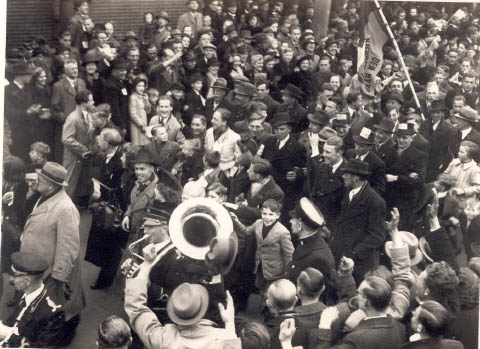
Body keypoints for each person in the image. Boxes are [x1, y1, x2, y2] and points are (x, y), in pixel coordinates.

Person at [124, 245, 238, 349]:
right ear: (201, 308)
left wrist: (147, 265)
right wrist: (229, 323)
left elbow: (136, 308)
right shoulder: (224, 340)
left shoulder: (163, 340)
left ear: (174, 312)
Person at [20, 162, 84, 344]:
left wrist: (59, 277)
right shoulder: (44, 196)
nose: (37, 179)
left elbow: (69, 246)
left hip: (51, 272)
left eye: (42, 178)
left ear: (52, 184)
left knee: (54, 307)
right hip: (39, 266)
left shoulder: (66, 208)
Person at [84, 128, 126, 290]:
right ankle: (106, 277)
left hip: (113, 210)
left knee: (111, 246)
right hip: (106, 207)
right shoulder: (109, 157)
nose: (98, 140)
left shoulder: (119, 163)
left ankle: (105, 279)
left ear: (107, 144)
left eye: (101, 139)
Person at [287, 197, 350, 304]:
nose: (290, 221)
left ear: (300, 225)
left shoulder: (318, 257)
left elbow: (326, 295)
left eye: (293, 219)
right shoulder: (306, 242)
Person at [314, 276, 407, 348]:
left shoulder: (356, 339)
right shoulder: (401, 328)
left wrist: (324, 326)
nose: (356, 295)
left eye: (358, 293)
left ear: (366, 301)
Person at [333, 159, 387, 283]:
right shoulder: (349, 191)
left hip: (358, 262)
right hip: (342, 253)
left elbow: (377, 236)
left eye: (346, 174)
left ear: (355, 178)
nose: (343, 177)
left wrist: (354, 253)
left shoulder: (375, 201)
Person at [0, 252, 65, 347]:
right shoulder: (22, 291)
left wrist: (9, 336)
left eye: (15, 275)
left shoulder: (54, 313)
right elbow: (15, 320)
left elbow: (40, 346)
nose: (11, 279)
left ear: (27, 281)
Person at [260, 112, 306, 224]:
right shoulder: (269, 141)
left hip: (285, 190)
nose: (279, 132)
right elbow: (261, 160)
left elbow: (303, 169)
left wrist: (296, 173)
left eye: (282, 129)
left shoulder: (297, 147)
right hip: (267, 187)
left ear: (289, 129)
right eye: (276, 129)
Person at [62, 89, 95, 203]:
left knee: (78, 187)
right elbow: (66, 139)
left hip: (83, 157)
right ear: (83, 103)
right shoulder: (73, 118)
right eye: (90, 101)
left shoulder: (88, 116)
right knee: (68, 185)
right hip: (73, 158)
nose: (93, 102)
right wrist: (83, 149)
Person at [51, 59, 87, 162]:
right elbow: (54, 108)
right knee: (66, 155)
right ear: (66, 71)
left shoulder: (81, 83)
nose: (75, 71)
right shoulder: (58, 86)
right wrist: (65, 119)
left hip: (81, 125)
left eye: (76, 68)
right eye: (72, 69)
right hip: (67, 125)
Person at [121, 148, 159, 244]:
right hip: (133, 234)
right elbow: (133, 204)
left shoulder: (158, 190)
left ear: (152, 169)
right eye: (136, 169)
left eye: (142, 169)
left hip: (147, 238)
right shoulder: (137, 184)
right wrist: (127, 215)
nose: (138, 172)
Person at [129, 77, 151, 146]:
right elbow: (133, 114)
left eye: (143, 86)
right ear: (135, 86)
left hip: (144, 121)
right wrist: (141, 124)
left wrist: (147, 101)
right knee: (137, 143)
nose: (142, 88)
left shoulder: (142, 96)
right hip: (137, 124)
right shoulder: (133, 97)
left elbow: (148, 111)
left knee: (144, 142)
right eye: (139, 86)